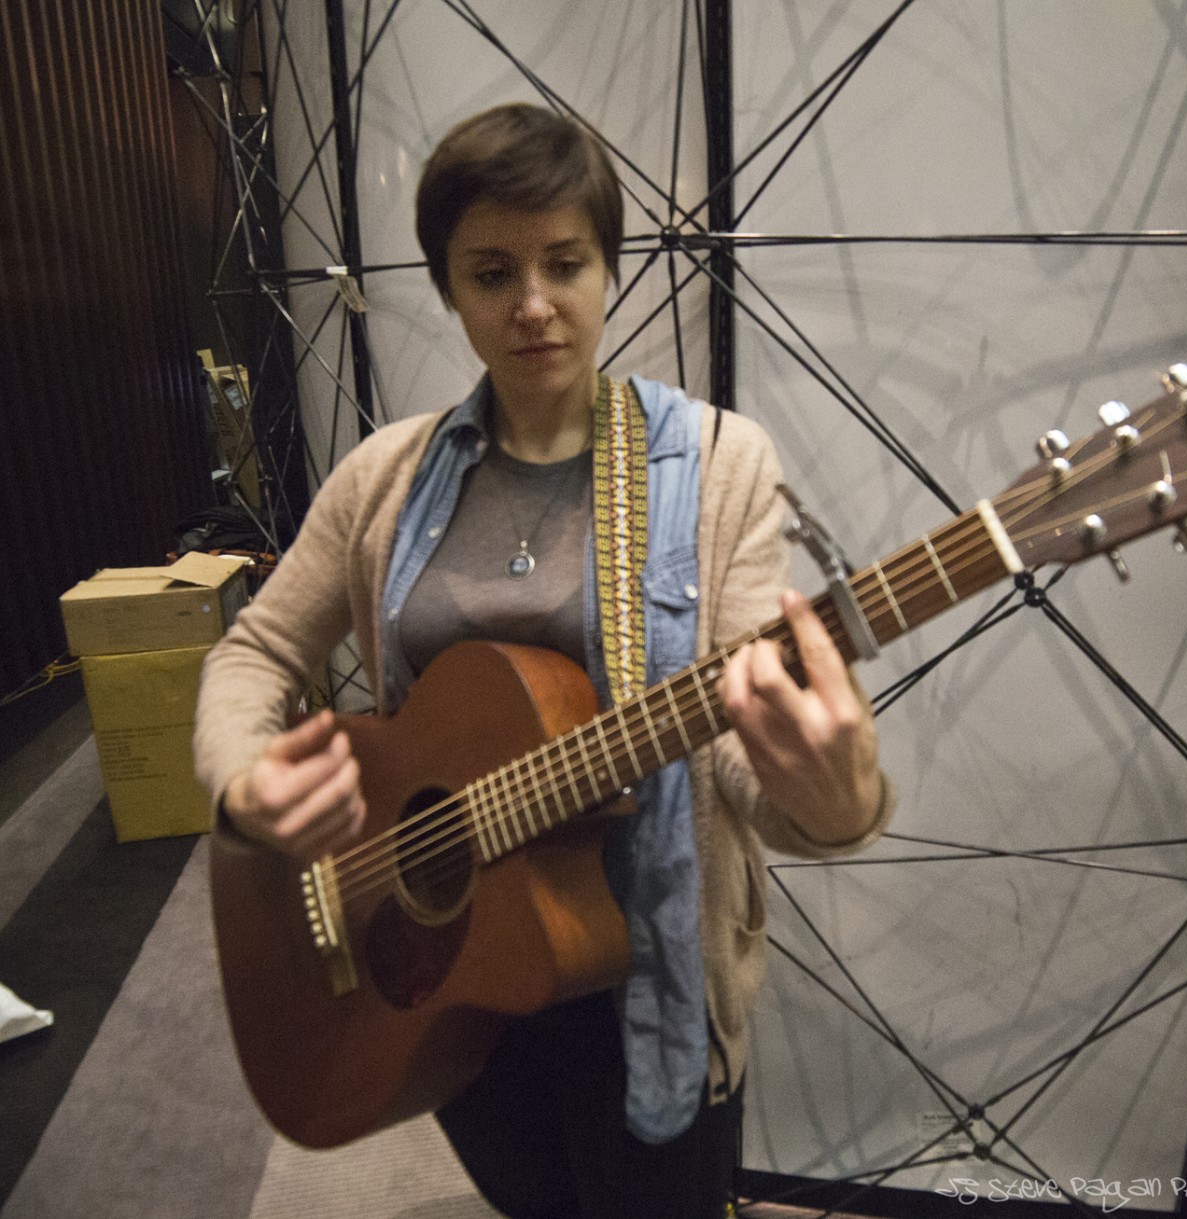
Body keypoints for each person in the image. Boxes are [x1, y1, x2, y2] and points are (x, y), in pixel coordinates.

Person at [193, 102, 891, 1219]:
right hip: (439, 968)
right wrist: (241, 783)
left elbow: (746, 759)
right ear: (448, 286)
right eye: (489, 272)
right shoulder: (382, 476)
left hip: (647, 987)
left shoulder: (716, 466)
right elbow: (258, 651)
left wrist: (834, 796)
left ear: (607, 265)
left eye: (564, 263)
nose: (531, 305)